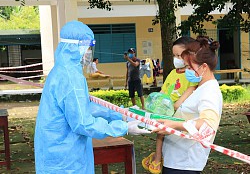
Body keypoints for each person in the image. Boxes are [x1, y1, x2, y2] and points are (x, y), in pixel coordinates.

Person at [34, 21, 150, 173]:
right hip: (65, 158)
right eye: (88, 47)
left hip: (57, 150)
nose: (89, 52)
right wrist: (123, 127)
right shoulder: (70, 77)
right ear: (76, 47)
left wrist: (119, 114)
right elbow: (83, 123)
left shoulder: (63, 70)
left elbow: (83, 107)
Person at [154, 36, 222, 174]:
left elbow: (208, 125)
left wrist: (173, 125)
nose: (186, 71)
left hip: (185, 164)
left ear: (203, 67)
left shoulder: (210, 91)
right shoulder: (199, 88)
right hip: (174, 159)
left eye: (189, 67)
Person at [142, 36, 198, 174]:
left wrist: (177, 104)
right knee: (160, 132)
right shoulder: (173, 73)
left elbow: (191, 89)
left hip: (178, 110)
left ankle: (156, 157)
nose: (177, 59)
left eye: (179, 55)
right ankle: (157, 156)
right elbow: (164, 90)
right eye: (175, 56)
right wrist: (158, 102)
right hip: (166, 108)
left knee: (165, 133)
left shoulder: (191, 74)